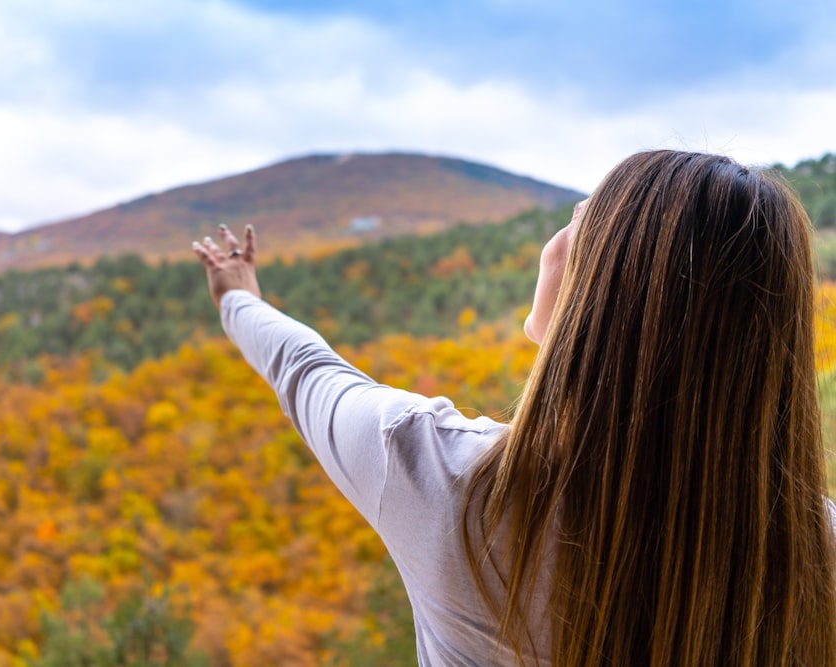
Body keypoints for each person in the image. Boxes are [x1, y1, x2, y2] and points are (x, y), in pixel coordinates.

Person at [192, 150, 836, 666]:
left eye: (580, 221)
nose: (552, 240)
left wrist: (237, 297)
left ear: (600, 292)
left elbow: (305, 371)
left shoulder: (441, 479)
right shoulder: (816, 546)